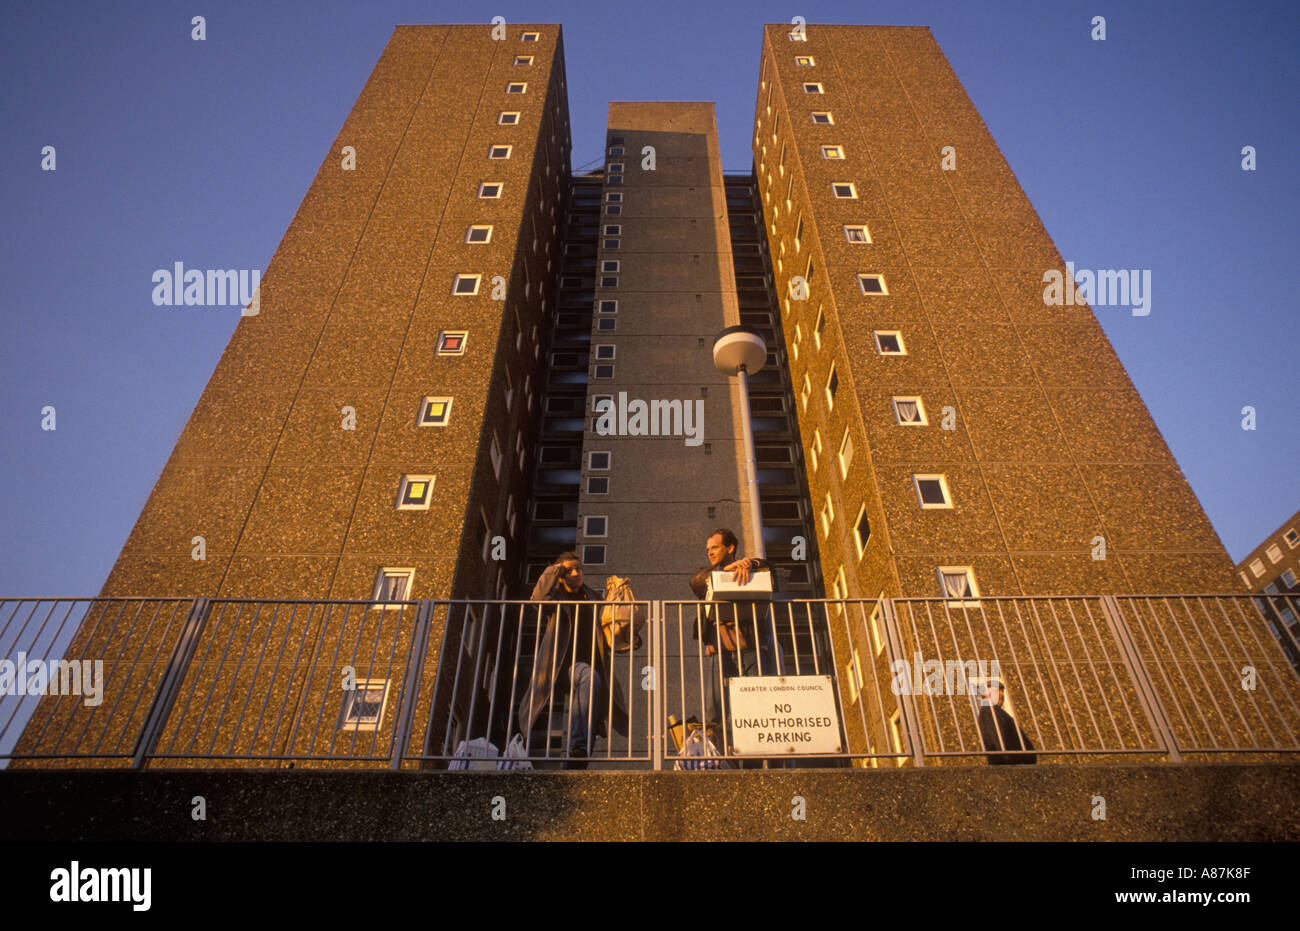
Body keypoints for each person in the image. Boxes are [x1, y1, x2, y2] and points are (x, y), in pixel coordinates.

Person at [517, 552, 628, 770]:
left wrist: (625, 617)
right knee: (588, 676)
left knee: (593, 714)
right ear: (560, 575)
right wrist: (555, 569)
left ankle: (576, 765)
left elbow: (611, 629)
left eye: (578, 568)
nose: (576, 573)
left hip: (594, 669)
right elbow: (538, 599)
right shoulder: (556, 597)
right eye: (569, 570)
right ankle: (577, 747)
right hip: (562, 666)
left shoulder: (594, 597)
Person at [689, 529, 783, 733]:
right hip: (719, 650)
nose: (709, 552)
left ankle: (755, 759)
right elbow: (696, 581)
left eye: (715, 547)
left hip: (751, 648)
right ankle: (716, 756)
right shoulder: (706, 573)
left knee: (756, 706)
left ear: (730, 548)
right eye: (707, 549)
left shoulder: (749, 568)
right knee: (714, 712)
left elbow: (773, 575)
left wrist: (753, 564)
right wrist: (724, 570)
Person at [976, 679, 1037, 765]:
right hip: (1010, 765)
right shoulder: (989, 711)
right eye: (997, 690)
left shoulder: (995, 711)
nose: (1001, 694)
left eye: (1002, 690)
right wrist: (1005, 759)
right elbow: (995, 738)